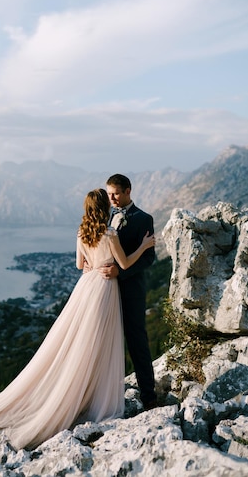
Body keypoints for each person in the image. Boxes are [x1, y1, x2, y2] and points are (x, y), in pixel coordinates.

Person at [0, 189, 155, 450]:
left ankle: (80, 390)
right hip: (105, 289)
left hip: (86, 288)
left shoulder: (82, 232)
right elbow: (124, 265)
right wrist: (144, 246)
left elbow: (81, 265)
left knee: (81, 339)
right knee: (101, 341)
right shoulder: (110, 234)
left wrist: (92, 264)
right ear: (104, 207)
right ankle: (94, 396)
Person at [103, 173, 157, 410]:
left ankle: (149, 396)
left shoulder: (143, 218)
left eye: (115, 193)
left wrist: (120, 272)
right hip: (105, 291)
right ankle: (106, 395)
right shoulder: (107, 216)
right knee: (106, 341)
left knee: (137, 342)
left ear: (128, 191)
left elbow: (148, 258)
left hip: (131, 290)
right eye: (109, 194)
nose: (112, 198)